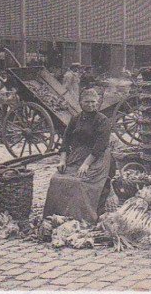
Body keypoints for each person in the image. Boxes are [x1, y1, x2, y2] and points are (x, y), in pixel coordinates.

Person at [42, 88, 115, 223]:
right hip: (77, 156)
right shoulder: (75, 119)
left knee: (79, 182)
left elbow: (100, 146)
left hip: (97, 158)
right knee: (56, 179)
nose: (90, 105)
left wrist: (86, 164)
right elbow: (66, 140)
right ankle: (58, 215)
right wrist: (62, 160)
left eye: (93, 102)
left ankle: (82, 217)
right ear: (81, 103)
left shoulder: (103, 120)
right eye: (87, 102)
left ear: (98, 102)